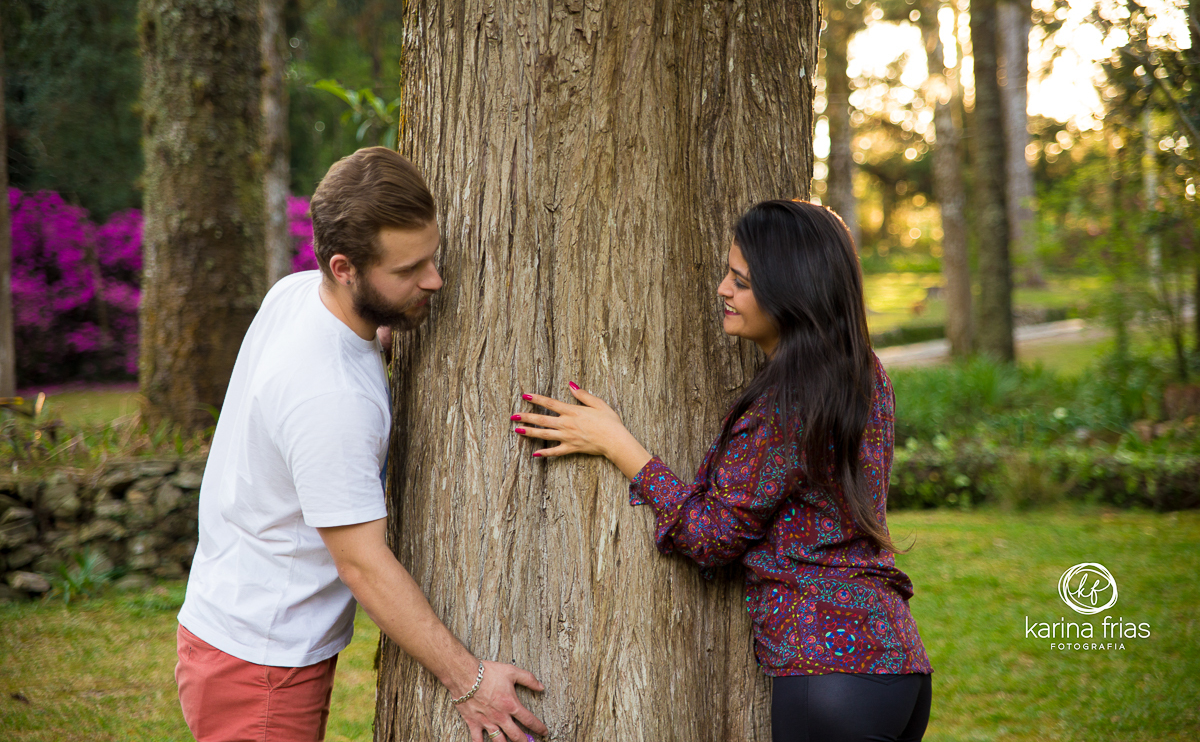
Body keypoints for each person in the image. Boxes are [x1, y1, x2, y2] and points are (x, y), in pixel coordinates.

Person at [511, 200, 933, 742]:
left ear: (792, 292)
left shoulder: (787, 403)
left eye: (742, 282)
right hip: (900, 667)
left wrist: (617, 444)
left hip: (829, 679)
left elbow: (710, 536)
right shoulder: (863, 373)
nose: (722, 290)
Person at [177, 147, 547, 742]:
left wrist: (380, 336)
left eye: (432, 256)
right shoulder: (331, 399)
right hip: (261, 667)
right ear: (345, 267)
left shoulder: (298, 294)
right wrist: (470, 681)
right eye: (407, 271)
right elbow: (362, 564)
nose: (434, 279)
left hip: (236, 625)